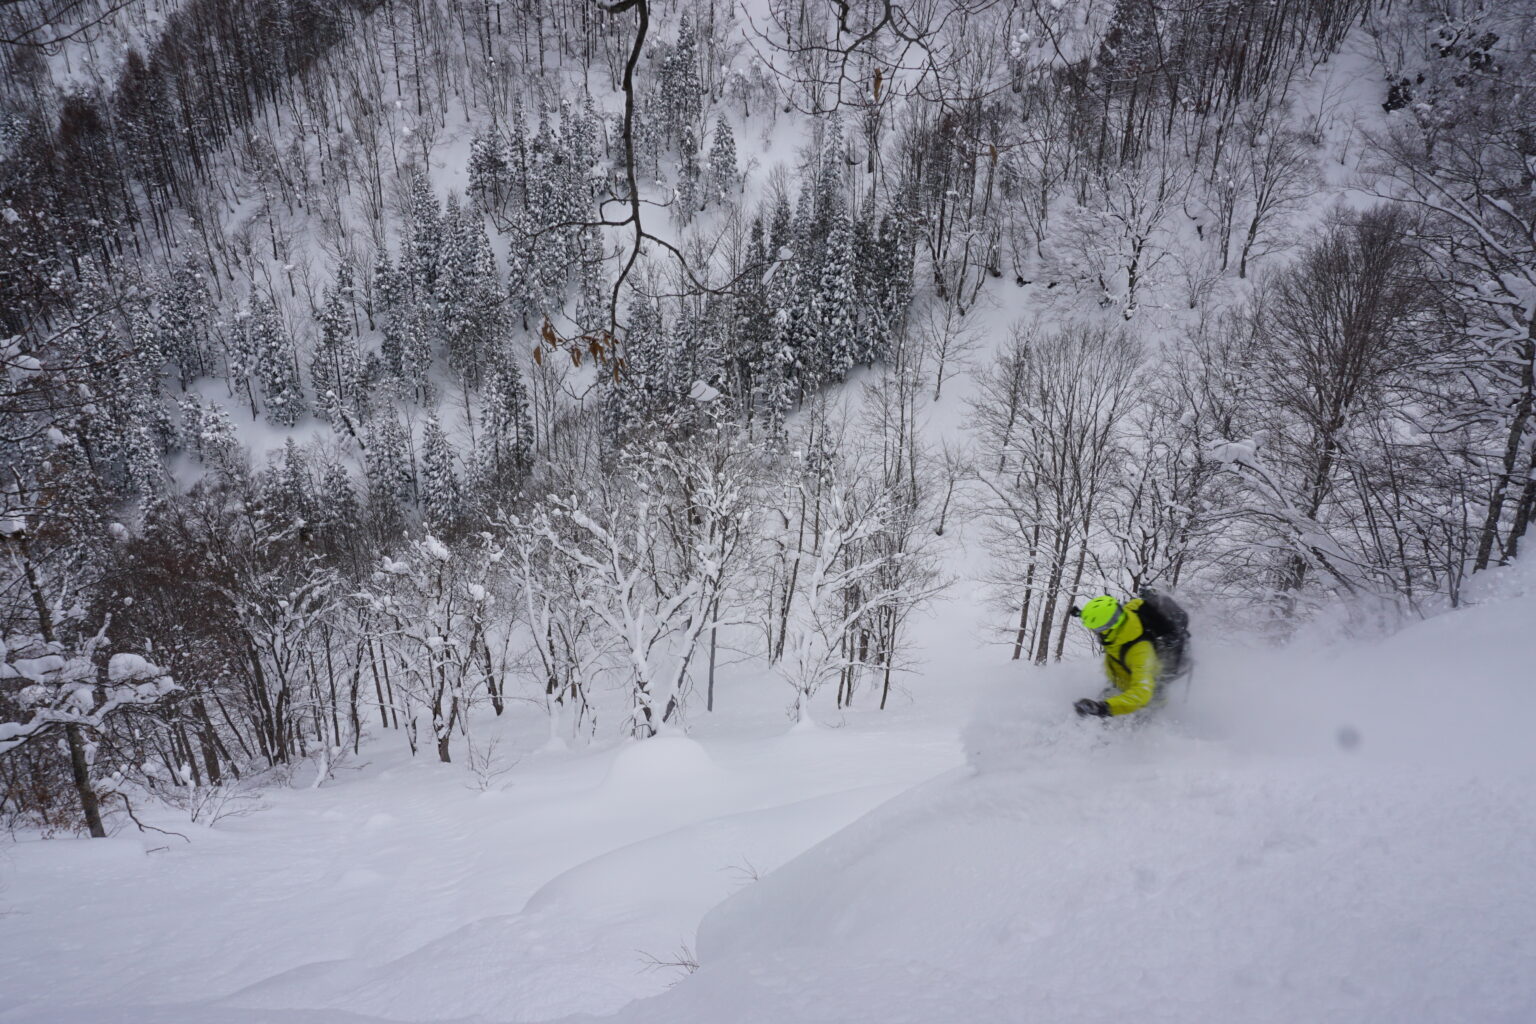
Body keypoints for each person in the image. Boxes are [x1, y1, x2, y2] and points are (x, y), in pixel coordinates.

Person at [1070, 593, 1189, 719]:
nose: (1094, 632)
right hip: (1120, 686)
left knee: (1109, 728)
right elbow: (1135, 603)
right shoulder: (1125, 614)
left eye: (1096, 629)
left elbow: (1142, 693)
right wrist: (1080, 614)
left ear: (1107, 628)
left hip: (1145, 704)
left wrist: (1103, 708)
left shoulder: (1140, 652)